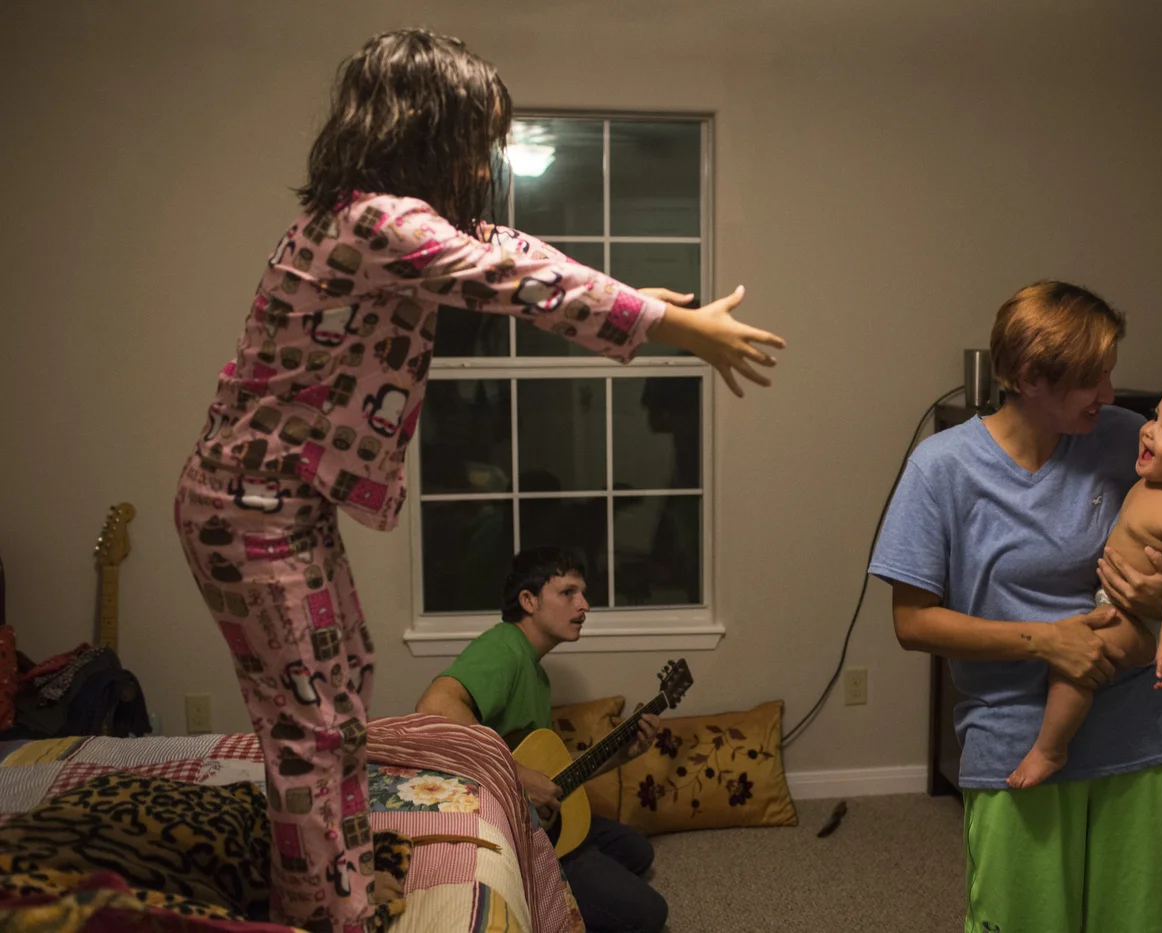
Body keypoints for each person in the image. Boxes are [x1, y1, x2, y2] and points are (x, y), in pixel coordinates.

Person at [173, 29, 783, 933]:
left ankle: (326, 877)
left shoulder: (391, 220)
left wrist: (653, 306)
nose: (486, 157)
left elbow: (513, 244)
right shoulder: (372, 222)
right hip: (243, 505)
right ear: (426, 127)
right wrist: (663, 326)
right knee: (310, 721)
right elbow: (506, 275)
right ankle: (331, 913)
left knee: (342, 696)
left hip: (288, 506)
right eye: (478, 136)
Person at [869, 281, 1162, 933]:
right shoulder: (941, 468)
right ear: (1032, 377)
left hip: (1137, 733)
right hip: (1017, 740)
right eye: (1094, 378)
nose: (1112, 395)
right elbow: (911, 621)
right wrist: (1044, 641)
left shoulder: (1130, 442)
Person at [1008, 381, 1162, 789]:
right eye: (1157, 417)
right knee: (1071, 653)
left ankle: (1051, 749)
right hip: (1113, 601)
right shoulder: (1157, 478)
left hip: (1143, 622)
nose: (1149, 430)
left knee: (1078, 662)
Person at [416, 547, 667, 933]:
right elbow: (434, 707)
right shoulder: (503, 648)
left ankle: (567, 872)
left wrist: (624, 754)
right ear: (528, 601)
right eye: (568, 593)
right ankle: (543, 882)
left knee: (637, 851)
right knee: (649, 915)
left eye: (583, 593)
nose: (584, 605)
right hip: (504, 825)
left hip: (530, 815)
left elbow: (552, 777)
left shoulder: (536, 673)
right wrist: (516, 775)